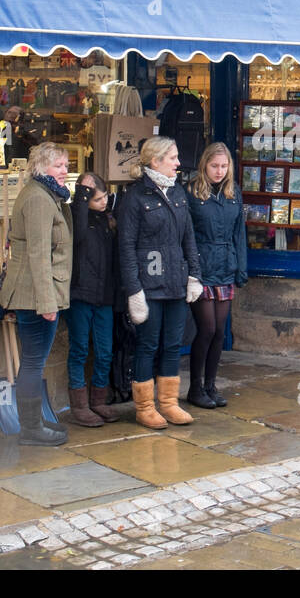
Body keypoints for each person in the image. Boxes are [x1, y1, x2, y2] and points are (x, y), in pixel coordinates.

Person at [117, 136, 204, 429]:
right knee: (148, 346)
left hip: (176, 284)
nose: (179, 163)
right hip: (149, 286)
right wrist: (134, 291)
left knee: (172, 345)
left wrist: (195, 275)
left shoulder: (178, 193)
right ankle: (144, 407)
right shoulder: (135, 197)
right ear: (155, 161)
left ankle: (169, 403)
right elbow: (126, 247)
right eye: (173, 158)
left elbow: (189, 239)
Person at [0, 142, 73, 446]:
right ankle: (30, 429)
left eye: (66, 165)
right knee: (33, 362)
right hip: (35, 295)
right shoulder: (40, 200)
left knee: (34, 360)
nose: (65, 171)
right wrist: (47, 303)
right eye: (58, 166)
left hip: (37, 292)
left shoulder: (46, 195)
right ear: (42, 168)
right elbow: (40, 255)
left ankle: (34, 421)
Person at [184, 142, 247, 409]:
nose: (219, 171)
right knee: (206, 328)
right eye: (214, 166)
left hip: (225, 266)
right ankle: (195, 387)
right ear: (204, 165)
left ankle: (211, 384)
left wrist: (241, 267)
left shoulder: (234, 193)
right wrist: (190, 269)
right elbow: (186, 234)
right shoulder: (192, 191)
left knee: (220, 330)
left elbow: (239, 234)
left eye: (223, 166)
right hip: (201, 267)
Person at [64, 171, 118, 427]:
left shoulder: (109, 222)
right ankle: (80, 405)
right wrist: (82, 197)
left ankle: (99, 399)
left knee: (105, 351)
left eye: (105, 196)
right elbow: (79, 236)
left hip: (104, 296)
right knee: (80, 350)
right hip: (80, 295)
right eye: (97, 199)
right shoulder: (78, 218)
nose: (103, 202)